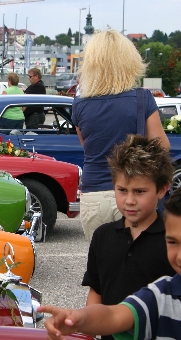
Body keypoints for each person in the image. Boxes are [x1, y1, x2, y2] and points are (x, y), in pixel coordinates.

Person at [39, 185, 181, 340]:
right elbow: (113, 315)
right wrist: (78, 318)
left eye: (140, 191)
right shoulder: (161, 295)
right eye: (173, 242)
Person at [72, 29, 170, 242]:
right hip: (135, 191)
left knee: (104, 264)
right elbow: (162, 146)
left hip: (94, 193)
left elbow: (88, 145)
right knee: (141, 264)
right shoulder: (142, 99)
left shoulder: (79, 105)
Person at [81, 134, 176, 340]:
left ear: (162, 189)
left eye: (140, 191)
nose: (129, 200)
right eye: (122, 190)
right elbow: (96, 292)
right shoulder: (102, 236)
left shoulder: (172, 241)